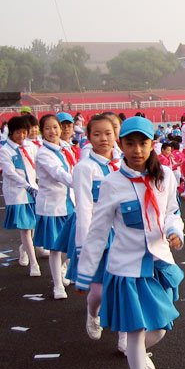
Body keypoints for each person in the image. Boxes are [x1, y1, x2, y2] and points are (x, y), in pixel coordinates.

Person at [75, 116, 184, 369]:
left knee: (159, 328)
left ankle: (140, 354)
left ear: (152, 144)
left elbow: (172, 211)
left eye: (143, 143)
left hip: (158, 263)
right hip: (126, 267)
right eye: (130, 143)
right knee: (135, 330)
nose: (137, 149)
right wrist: (84, 275)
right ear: (121, 144)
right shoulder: (111, 183)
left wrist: (175, 231)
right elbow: (98, 231)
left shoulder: (165, 176)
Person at [68, 114, 124, 344]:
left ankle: (126, 338)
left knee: (125, 289)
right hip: (98, 233)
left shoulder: (125, 162)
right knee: (99, 291)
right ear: (88, 137)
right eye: (97, 134)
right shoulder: (85, 168)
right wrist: (84, 248)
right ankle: (93, 314)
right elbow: (83, 207)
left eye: (108, 133)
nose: (104, 139)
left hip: (124, 234)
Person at [34, 114, 75, 299]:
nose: (53, 131)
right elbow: (58, 173)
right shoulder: (43, 153)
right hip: (52, 205)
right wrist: (80, 183)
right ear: (42, 132)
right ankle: (58, 285)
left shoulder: (66, 148)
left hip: (69, 203)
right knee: (55, 248)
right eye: (48, 128)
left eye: (55, 127)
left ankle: (65, 271)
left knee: (71, 243)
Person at [0, 116, 39, 276]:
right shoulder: (5, 151)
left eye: (24, 133)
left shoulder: (29, 147)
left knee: (33, 227)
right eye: (18, 133)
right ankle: (34, 263)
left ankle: (24, 248)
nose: (21, 136)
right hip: (18, 193)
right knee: (25, 227)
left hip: (33, 191)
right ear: (11, 132)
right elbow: (10, 173)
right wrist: (26, 186)